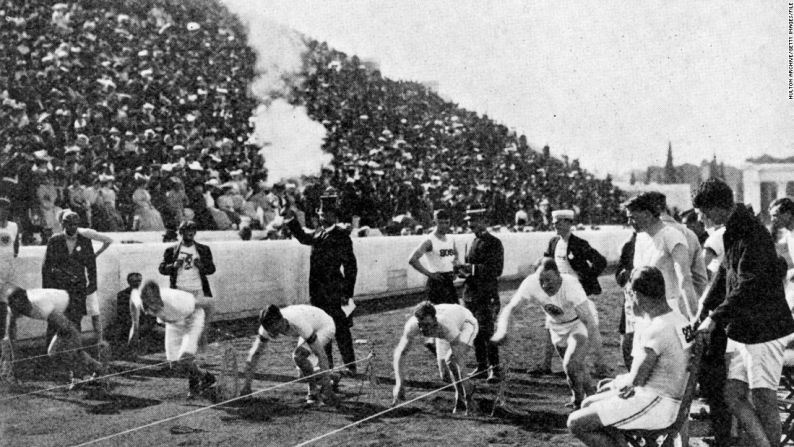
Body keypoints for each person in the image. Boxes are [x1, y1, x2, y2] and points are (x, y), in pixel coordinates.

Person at [694, 178, 794, 447]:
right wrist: (703, 309)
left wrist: (714, 318)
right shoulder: (732, 230)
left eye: (702, 212)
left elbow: (749, 284)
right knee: (733, 395)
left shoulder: (753, 233)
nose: (700, 218)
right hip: (744, 329)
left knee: (763, 398)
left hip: (765, 329)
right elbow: (726, 274)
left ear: (715, 208)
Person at [567, 267, 693, 446]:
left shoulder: (657, 329)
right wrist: (617, 384)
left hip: (657, 404)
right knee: (589, 403)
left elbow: (637, 380)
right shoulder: (679, 319)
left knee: (577, 423)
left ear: (637, 294)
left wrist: (615, 383)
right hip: (670, 401)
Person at [492, 258, 599, 409]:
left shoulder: (571, 285)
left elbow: (588, 320)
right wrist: (502, 330)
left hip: (579, 322)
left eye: (548, 279)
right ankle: (589, 396)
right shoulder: (531, 283)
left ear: (558, 275)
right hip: (557, 325)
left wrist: (597, 353)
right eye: (541, 280)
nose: (544, 285)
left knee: (571, 364)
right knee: (575, 368)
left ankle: (581, 403)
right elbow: (511, 308)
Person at [285, 188, 358, 376]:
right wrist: (291, 220)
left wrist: (347, 293)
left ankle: (350, 365)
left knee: (341, 329)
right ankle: (328, 365)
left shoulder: (342, 236)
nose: (327, 217)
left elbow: (351, 267)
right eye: (324, 213)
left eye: (331, 214)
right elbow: (303, 237)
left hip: (335, 290)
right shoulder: (318, 232)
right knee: (322, 328)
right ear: (319, 214)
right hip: (317, 291)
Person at [623, 193, 697, 357]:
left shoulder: (671, 235)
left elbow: (685, 279)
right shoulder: (641, 238)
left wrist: (694, 317)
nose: (629, 223)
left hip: (670, 312)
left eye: (633, 218)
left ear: (648, 215)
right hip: (644, 314)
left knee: (675, 364)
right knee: (643, 364)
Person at [540, 209, 608, 377]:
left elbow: (600, 261)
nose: (555, 224)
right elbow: (547, 262)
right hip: (558, 292)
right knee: (550, 325)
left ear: (569, 223)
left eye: (559, 221)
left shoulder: (579, 243)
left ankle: (601, 366)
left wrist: (586, 279)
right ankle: (545, 364)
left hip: (577, 294)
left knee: (589, 326)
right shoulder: (553, 242)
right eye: (554, 221)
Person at [3, 286, 105, 387]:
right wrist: (15, 358)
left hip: (72, 305)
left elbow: (68, 327)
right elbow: (11, 330)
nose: (14, 311)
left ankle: (81, 375)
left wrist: (76, 346)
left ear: (25, 303)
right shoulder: (14, 305)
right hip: (60, 310)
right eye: (12, 307)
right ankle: (97, 368)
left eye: (18, 307)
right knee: (59, 352)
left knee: (62, 352)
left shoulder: (41, 305)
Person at [128, 280, 215, 398]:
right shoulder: (139, 298)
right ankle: (206, 377)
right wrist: (135, 325)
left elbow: (209, 303)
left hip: (192, 318)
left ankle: (194, 384)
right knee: (175, 365)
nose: (149, 311)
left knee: (185, 358)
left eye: (152, 305)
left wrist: (204, 333)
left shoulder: (177, 301)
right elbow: (133, 300)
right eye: (146, 306)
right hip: (173, 323)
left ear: (158, 298)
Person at [241, 304, 339, 405]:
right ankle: (332, 376)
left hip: (324, 325)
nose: (273, 333)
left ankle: (313, 391)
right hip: (310, 323)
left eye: (275, 328)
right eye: (270, 330)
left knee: (299, 356)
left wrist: (327, 389)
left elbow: (321, 354)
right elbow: (254, 355)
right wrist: (246, 386)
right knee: (302, 373)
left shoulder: (298, 322)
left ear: (282, 320)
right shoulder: (267, 326)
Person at [392, 301, 478, 414]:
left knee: (451, 360)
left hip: (465, 324)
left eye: (427, 325)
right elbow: (401, 353)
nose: (424, 330)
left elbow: (459, 361)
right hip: (442, 331)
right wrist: (399, 383)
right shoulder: (412, 325)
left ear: (435, 320)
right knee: (445, 375)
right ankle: (466, 390)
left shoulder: (447, 325)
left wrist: (467, 396)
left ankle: (465, 396)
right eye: (421, 325)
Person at [41, 211, 105, 351]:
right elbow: (46, 267)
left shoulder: (85, 240)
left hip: (78, 288)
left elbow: (91, 264)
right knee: (55, 321)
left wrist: (93, 283)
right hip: (58, 288)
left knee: (75, 321)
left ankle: (75, 354)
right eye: (69, 224)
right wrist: (47, 290)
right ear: (63, 224)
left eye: (75, 224)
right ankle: (50, 356)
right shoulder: (55, 240)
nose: (72, 227)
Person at [459, 209, 503, 383]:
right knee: (475, 331)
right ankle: (482, 366)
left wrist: (472, 269)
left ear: (484, 221)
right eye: (469, 221)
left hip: (486, 294)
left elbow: (496, 270)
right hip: (471, 294)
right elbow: (472, 268)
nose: (471, 224)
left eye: (475, 221)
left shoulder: (494, 243)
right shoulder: (473, 241)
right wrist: (464, 271)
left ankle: (495, 368)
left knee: (487, 331)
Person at [159, 220, 216, 346]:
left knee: (198, 323)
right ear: (180, 232)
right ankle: (181, 351)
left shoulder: (203, 249)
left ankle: (195, 350)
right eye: (186, 230)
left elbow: (211, 269)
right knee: (181, 323)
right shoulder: (171, 250)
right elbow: (162, 269)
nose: (190, 233)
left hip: (198, 289)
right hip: (180, 289)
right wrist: (173, 266)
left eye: (192, 230)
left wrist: (201, 267)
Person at [408, 208, 460, 305]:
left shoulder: (450, 239)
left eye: (447, 222)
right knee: (436, 314)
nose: (444, 226)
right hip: (436, 283)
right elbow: (412, 259)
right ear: (434, 222)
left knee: (454, 313)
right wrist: (430, 274)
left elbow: (455, 256)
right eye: (441, 223)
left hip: (449, 281)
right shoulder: (429, 240)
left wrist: (455, 271)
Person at [104, 272, 160, 358]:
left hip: (145, 323)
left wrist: (145, 325)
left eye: (139, 281)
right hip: (129, 322)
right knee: (114, 334)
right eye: (134, 281)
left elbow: (152, 314)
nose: (137, 283)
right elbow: (122, 313)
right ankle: (122, 354)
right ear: (129, 282)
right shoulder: (122, 295)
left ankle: (140, 352)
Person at [0, 198, 19, 345]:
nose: (2, 211)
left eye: (5, 208)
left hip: (9, 274)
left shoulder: (13, 226)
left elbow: (15, 248)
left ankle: (8, 343)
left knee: (8, 308)